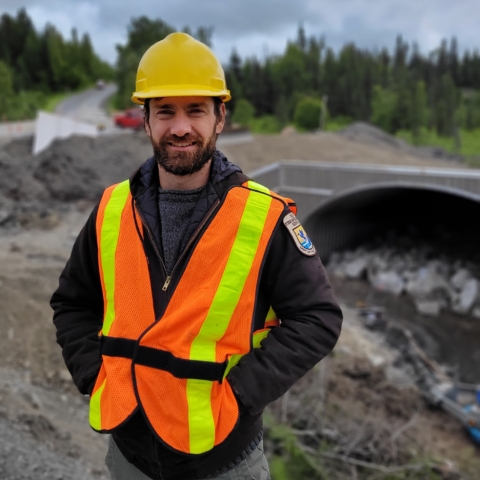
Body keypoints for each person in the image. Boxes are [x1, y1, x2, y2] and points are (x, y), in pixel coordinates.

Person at [51, 32, 343, 480]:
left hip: (224, 462)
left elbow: (317, 318)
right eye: (165, 111)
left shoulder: (263, 217)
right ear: (145, 120)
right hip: (128, 458)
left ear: (220, 117)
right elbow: (73, 303)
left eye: (196, 110)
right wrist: (97, 378)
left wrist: (241, 396)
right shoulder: (111, 209)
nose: (181, 127)